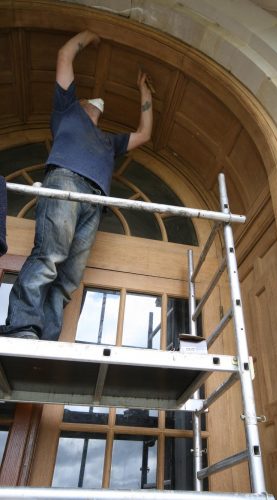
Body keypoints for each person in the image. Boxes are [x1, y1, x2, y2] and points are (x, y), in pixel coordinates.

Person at [0, 30, 153, 341]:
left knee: (68, 277)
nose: (97, 103)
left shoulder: (110, 141)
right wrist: (91, 33)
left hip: (96, 201)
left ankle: (47, 338)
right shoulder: (67, 111)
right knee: (49, 256)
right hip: (65, 182)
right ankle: (22, 326)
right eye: (90, 101)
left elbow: (144, 133)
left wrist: (145, 93)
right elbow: (65, 55)